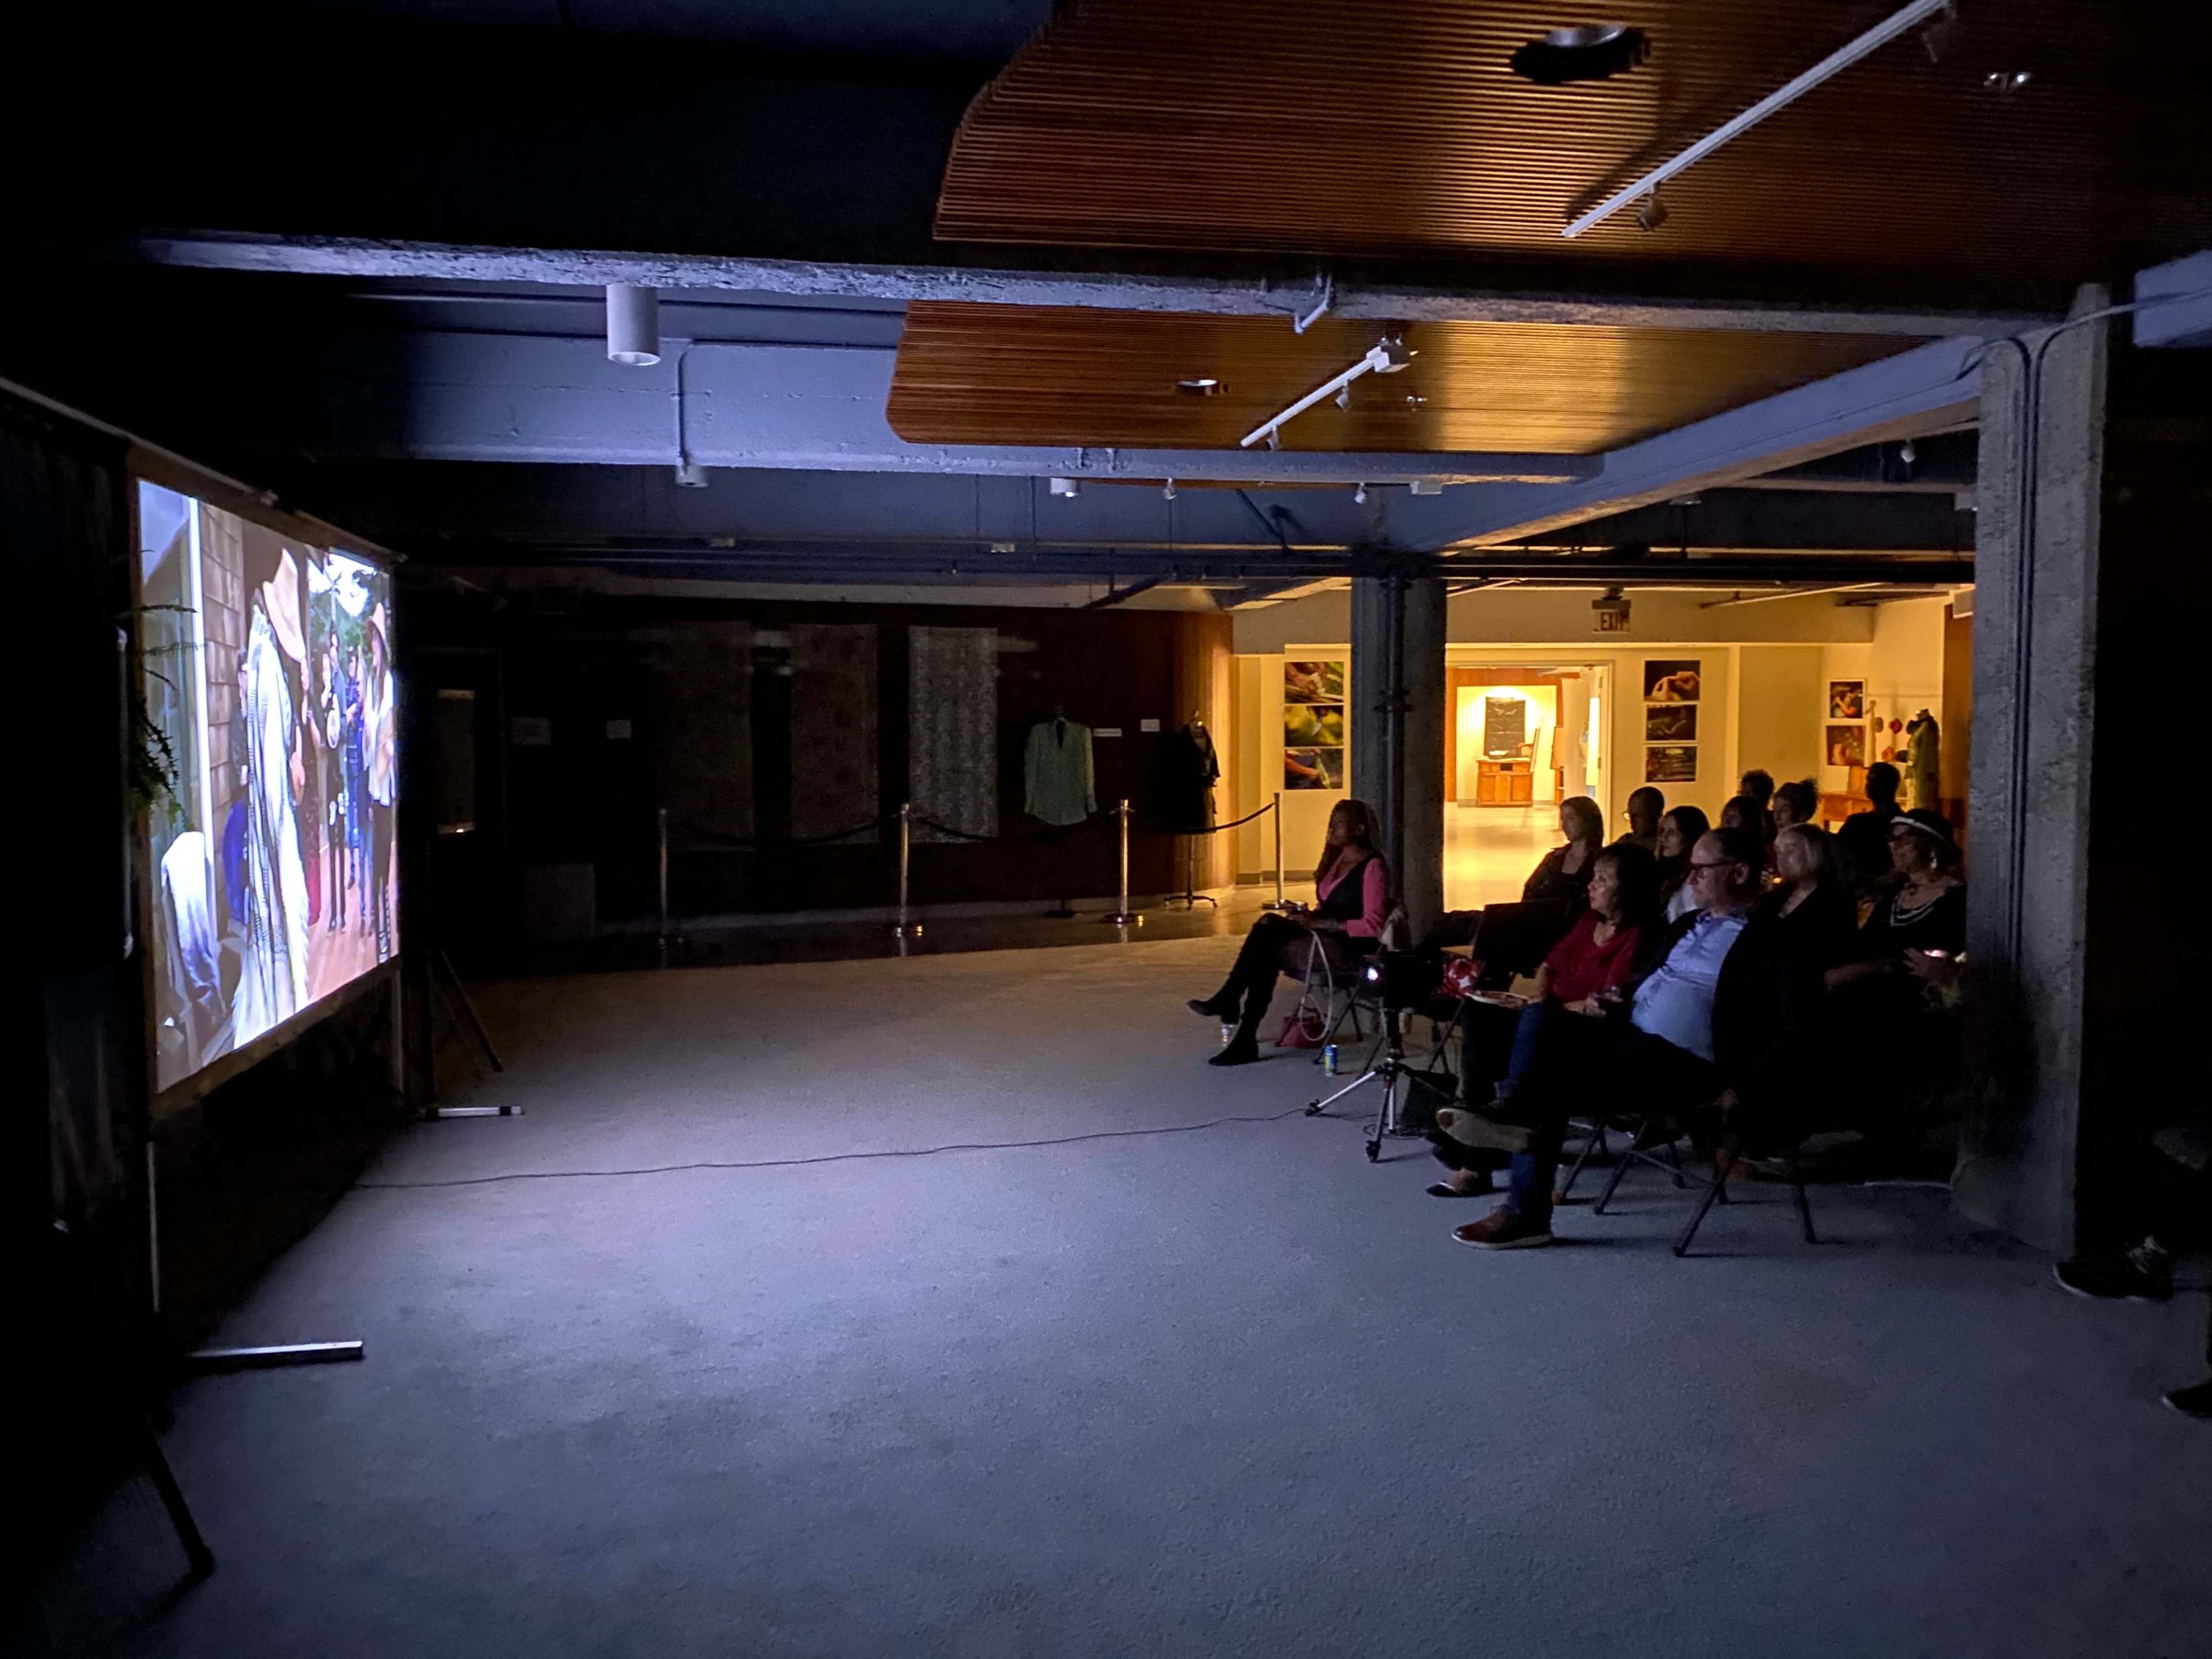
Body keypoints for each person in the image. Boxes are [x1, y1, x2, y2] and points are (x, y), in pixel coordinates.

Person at [1440, 827, 1768, 1248]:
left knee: (1545, 1077)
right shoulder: (1689, 923)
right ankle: (1509, 1120)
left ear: (1739, 873)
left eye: (1703, 869)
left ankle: (1520, 1192)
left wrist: (1743, 1083)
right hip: (1629, 1034)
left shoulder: (1768, 937)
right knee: (1536, 1020)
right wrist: (1620, 995)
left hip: (1686, 1061)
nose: (1691, 879)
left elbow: (1780, 1017)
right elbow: (1648, 977)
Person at [1430, 843, 1660, 1198]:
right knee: (1480, 1016)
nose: (1591, 885)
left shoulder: (1638, 938)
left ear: (1629, 889)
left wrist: (1546, 1011)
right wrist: (1538, 995)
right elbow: (1550, 964)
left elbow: (1606, 1003)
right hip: (1547, 1016)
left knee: (1528, 1033)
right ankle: (1488, 1119)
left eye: (1603, 879)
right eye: (1594, 876)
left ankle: (1487, 1144)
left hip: (1586, 1032)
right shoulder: (1588, 923)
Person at [1189, 799, 1390, 1067]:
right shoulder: (1338, 859)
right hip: (1325, 936)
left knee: (1267, 942)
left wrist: (1323, 924)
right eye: (1332, 822)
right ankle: (1239, 1023)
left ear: (1360, 829)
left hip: (1351, 948)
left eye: (1339, 823)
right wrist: (1309, 915)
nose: (1331, 829)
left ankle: (1234, 1010)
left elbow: (1374, 926)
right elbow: (1328, 905)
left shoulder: (1373, 866)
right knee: (1268, 927)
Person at [1521, 796, 1606, 911]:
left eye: (1571, 818)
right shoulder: (1553, 859)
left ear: (1587, 820)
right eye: (1563, 819)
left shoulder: (1604, 861)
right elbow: (1530, 893)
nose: (1564, 825)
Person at [1836, 762, 1903, 892]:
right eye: (1868, 779)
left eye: (1873, 779)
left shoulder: (1857, 823)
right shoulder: (1904, 820)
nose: (1869, 784)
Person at [1656, 805, 1711, 922]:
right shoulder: (1665, 872)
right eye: (1662, 832)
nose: (1663, 838)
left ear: (1688, 836)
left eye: (1672, 833)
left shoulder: (1699, 877)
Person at [1616, 786, 1664, 853]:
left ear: (1657, 815)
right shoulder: (1624, 842)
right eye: (1630, 815)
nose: (1632, 822)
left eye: (1637, 816)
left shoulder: (1667, 848)